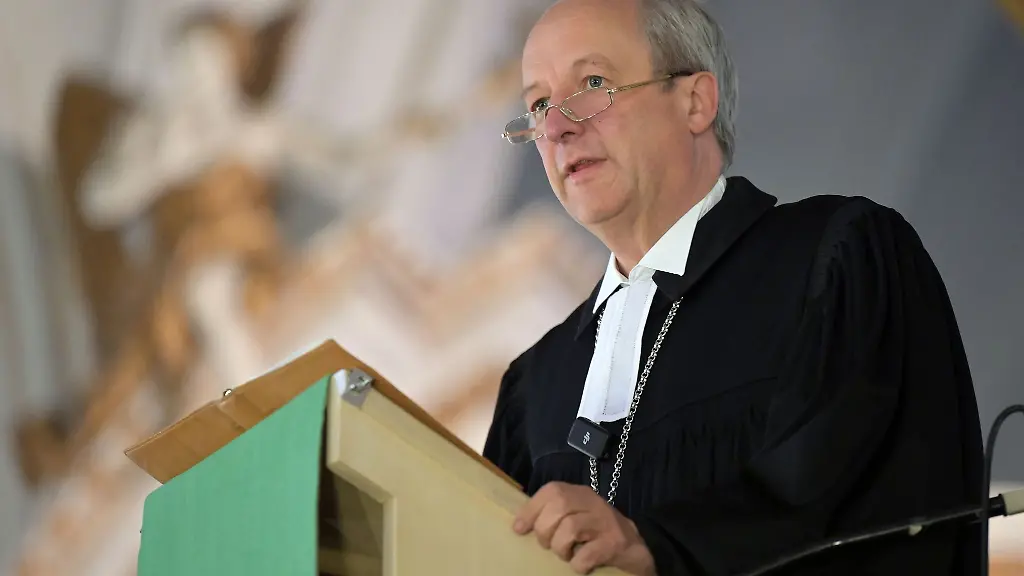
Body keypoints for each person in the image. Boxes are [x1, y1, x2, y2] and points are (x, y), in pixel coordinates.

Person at [482, 0, 985, 575]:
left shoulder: (836, 259)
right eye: (538, 105)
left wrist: (660, 547)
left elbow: (879, 515)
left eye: (593, 83)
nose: (557, 127)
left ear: (695, 102)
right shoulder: (532, 387)